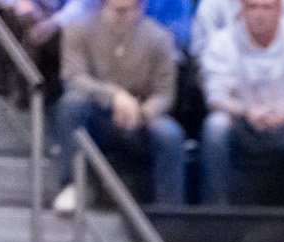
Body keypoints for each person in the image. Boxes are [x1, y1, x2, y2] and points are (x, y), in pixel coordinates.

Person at [198, 0, 284, 208]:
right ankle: (215, 213)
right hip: (243, 125)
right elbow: (216, 97)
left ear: (279, 10)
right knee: (215, 125)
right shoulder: (222, 42)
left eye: (267, 7)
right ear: (241, 10)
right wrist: (246, 111)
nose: (260, 14)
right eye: (253, 7)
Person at [53, 0, 185, 209]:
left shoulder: (159, 37)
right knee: (71, 104)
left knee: (169, 133)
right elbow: (73, 78)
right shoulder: (79, 29)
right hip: (96, 115)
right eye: (118, 11)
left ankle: (170, 212)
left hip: (140, 119)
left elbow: (164, 94)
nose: (124, 16)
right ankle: (72, 186)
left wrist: (143, 112)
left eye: (130, 10)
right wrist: (113, 95)